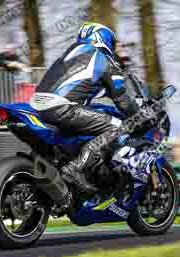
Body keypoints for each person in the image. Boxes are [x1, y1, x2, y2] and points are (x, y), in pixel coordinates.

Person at [30, 23, 140, 193]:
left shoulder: (68, 55)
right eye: (112, 42)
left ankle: (63, 170)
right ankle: (76, 167)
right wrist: (139, 116)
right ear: (103, 39)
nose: (114, 47)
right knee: (118, 127)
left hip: (38, 106)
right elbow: (122, 99)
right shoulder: (103, 59)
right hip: (63, 108)